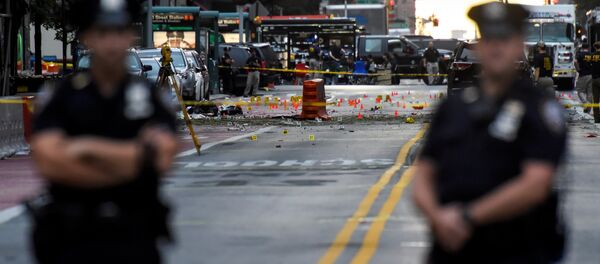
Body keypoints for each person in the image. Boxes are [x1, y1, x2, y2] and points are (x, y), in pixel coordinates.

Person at [413, 2, 567, 264]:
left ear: (520, 46)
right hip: (453, 251)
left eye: (505, 39)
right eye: (491, 39)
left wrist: (466, 217)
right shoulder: (452, 109)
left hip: (516, 252)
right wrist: (439, 219)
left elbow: (536, 184)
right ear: (480, 46)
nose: (497, 47)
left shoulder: (540, 109)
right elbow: (422, 177)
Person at [27, 0, 179, 263]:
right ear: (88, 37)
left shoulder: (149, 96)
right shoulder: (62, 96)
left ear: (130, 35)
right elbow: (49, 162)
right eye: (102, 32)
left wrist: (84, 149)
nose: (111, 42)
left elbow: (161, 159)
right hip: (71, 239)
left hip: (134, 237)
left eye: (119, 32)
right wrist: (133, 157)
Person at [575, 43, 593, 114]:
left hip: (583, 75)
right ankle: (588, 109)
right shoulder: (591, 55)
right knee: (590, 93)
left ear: (582, 47)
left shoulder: (580, 54)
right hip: (591, 75)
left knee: (580, 91)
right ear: (588, 47)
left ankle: (585, 103)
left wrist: (578, 69)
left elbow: (575, 62)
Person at [590, 41, 600, 123]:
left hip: (594, 80)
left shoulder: (592, 56)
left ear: (595, 47)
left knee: (596, 100)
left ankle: (597, 119)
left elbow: (588, 64)